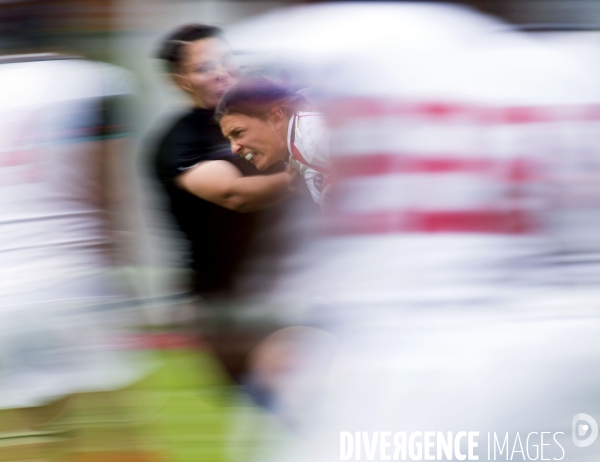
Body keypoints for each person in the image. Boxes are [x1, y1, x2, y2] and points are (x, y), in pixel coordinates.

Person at [151, 24, 299, 382]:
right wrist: (309, 174)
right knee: (283, 393)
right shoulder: (179, 143)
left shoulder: (268, 113)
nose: (221, 73)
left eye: (226, 61)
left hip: (287, 281)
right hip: (228, 300)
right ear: (181, 80)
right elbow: (236, 195)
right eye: (204, 68)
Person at [216, 76, 332, 208]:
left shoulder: (318, 137)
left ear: (277, 117)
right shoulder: (299, 144)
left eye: (238, 132)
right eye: (230, 139)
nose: (234, 148)